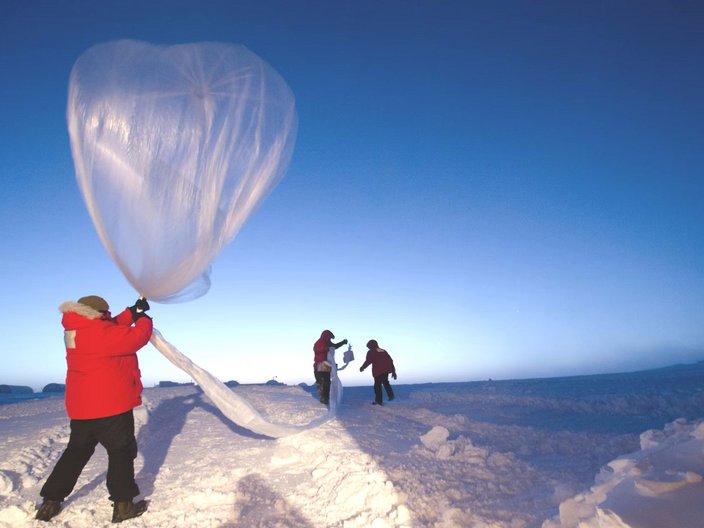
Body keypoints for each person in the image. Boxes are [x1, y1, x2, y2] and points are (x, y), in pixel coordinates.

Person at [35, 295, 153, 523]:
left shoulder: (75, 330)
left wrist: (131, 312)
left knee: (75, 453)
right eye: (106, 314)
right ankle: (123, 506)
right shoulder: (101, 333)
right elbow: (137, 337)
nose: (108, 317)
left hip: (82, 409)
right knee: (121, 453)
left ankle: (50, 502)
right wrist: (144, 319)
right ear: (98, 314)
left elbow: (108, 329)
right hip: (111, 407)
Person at [312, 330, 347, 405]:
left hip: (326, 365)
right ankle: (323, 400)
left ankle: (326, 399)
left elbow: (334, 347)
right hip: (320, 365)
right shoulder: (319, 342)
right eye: (329, 338)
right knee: (322, 383)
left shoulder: (328, 342)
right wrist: (324, 349)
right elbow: (316, 349)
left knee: (327, 382)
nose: (330, 339)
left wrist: (342, 343)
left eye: (330, 338)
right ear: (326, 336)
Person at [359, 339, 397, 405]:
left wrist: (362, 367)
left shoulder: (371, 351)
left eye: (369, 347)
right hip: (386, 370)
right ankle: (391, 396)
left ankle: (378, 401)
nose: (368, 348)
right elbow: (390, 360)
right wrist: (393, 371)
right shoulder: (383, 351)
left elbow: (368, 361)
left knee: (377, 386)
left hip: (378, 371)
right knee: (385, 383)